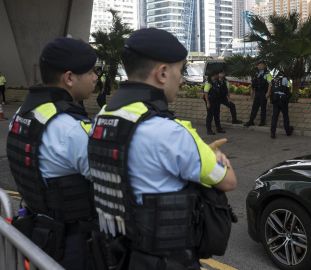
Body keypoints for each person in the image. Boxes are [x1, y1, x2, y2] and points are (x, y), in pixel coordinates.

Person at [87, 28, 237, 270]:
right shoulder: (170, 132)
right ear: (163, 73)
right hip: (166, 261)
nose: (182, 78)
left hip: (116, 254)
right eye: (181, 70)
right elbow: (229, 181)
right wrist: (212, 155)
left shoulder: (103, 117)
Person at [6, 37, 98, 270]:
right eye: (90, 72)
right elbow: (112, 180)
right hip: (72, 244)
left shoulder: (23, 114)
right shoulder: (69, 128)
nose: (95, 77)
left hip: (37, 232)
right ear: (69, 78)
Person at [244, 60, 272, 127]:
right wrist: (252, 93)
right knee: (254, 107)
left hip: (263, 92)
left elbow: (270, 84)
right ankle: (251, 121)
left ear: (265, 66)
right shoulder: (256, 74)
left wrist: (268, 93)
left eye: (261, 65)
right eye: (259, 65)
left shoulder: (268, 74)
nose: (260, 66)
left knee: (263, 108)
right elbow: (253, 84)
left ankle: (262, 122)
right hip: (257, 92)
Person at [266, 70, 293, 139]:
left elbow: (268, 92)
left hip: (275, 100)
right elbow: (290, 88)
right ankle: (288, 131)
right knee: (285, 116)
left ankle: (273, 133)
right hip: (283, 100)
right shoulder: (285, 79)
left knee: (274, 117)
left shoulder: (272, 80)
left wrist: (268, 97)